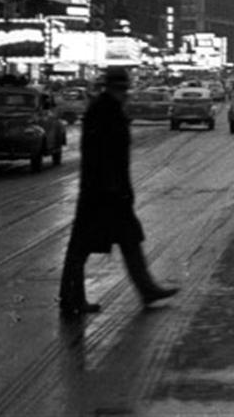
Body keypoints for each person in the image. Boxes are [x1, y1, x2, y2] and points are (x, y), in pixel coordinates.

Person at [58, 66, 179, 318]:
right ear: (120, 88)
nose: (128, 94)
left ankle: (145, 289)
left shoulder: (105, 109)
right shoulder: (106, 111)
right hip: (104, 193)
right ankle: (72, 298)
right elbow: (105, 155)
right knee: (84, 246)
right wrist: (115, 187)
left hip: (104, 190)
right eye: (125, 89)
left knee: (125, 240)